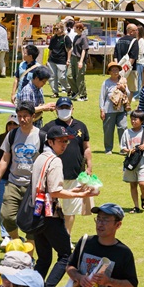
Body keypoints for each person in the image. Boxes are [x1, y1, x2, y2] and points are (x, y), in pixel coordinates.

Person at [30, 128, 93, 287]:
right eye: (61, 141)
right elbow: (55, 191)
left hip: (36, 214)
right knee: (66, 255)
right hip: (50, 214)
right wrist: (78, 194)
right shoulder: (55, 161)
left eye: (66, 141)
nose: (64, 144)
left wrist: (77, 193)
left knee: (44, 259)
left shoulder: (39, 158)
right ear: (50, 142)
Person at [0, 100, 48, 242]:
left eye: (25, 116)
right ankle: (16, 240)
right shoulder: (12, 135)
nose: (22, 119)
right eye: (19, 115)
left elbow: (47, 162)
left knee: (32, 221)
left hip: (33, 186)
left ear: (33, 116)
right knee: (7, 215)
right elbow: (5, 159)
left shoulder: (41, 136)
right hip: (13, 182)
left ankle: (29, 255)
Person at [44, 97, 94, 233]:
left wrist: (89, 167)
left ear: (73, 108)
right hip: (54, 175)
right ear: (56, 109)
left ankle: (67, 237)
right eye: (61, 108)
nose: (64, 110)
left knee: (70, 210)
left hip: (75, 174)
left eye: (67, 107)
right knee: (51, 209)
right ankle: (53, 236)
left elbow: (86, 147)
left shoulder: (80, 126)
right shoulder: (49, 127)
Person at [120, 110, 144, 213]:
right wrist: (128, 150)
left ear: (141, 121)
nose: (133, 121)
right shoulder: (127, 132)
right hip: (131, 163)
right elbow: (122, 148)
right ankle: (136, 206)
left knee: (143, 184)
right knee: (133, 185)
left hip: (143, 163)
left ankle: (143, 196)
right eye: (131, 119)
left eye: (135, 119)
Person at [99, 61, 130, 154]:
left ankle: (123, 148)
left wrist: (123, 88)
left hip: (121, 109)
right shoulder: (106, 83)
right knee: (108, 130)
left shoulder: (123, 81)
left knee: (123, 127)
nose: (115, 72)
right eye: (113, 70)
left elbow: (128, 94)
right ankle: (108, 148)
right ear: (109, 72)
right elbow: (102, 97)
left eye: (117, 70)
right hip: (109, 110)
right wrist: (102, 109)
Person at [113, 22, 143, 98]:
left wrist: (118, 68)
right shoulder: (134, 41)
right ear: (131, 31)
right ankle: (127, 106)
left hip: (119, 69)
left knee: (119, 88)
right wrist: (125, 70)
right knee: (130, 90)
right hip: (130, 70)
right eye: (136, 30)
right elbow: (133, 58)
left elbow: (115, 55)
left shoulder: (119, 40)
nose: (137, 32)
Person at [47, 22, 72, 97]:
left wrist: (68, 60)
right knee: (52, 77)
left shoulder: (65, 38)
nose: (55, 30)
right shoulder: (53, 38)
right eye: (54, 29)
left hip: (62, 60)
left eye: (57, 28)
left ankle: (69, 89)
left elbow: (69, 49)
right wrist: (48, 59)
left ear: (62, 29)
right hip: (52, 60)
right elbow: (50, 49)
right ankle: (55, 92)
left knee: (61, 77)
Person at [69, 21, 89, 101]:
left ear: (79, 28)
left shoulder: (83, 37)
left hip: (79, 58)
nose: (74, 28)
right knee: (69, 75)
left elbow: (84, 50)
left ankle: (83, 95)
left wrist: (81, 61)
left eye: (75, 27)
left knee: (79, 78)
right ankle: (75, 91)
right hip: (73, 58)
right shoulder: (76, 36)